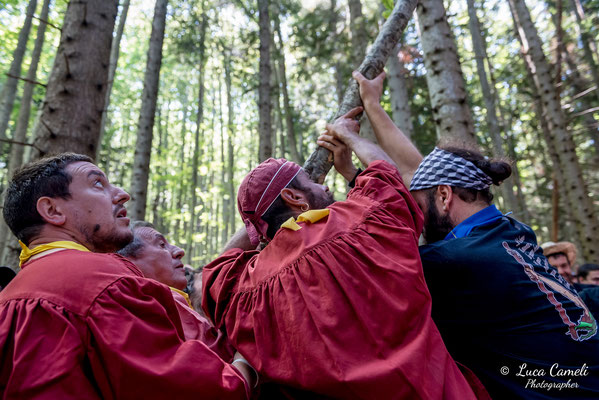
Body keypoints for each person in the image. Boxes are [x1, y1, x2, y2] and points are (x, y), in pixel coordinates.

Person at [202, 108, 487, 399]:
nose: (323, 184)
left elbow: (214, 272)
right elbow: (386, 173)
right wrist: (348, 136)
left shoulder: (246, 293)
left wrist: (256, 219)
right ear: (293, 197)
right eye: (311, 181)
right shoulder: (364, 222)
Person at [353, 70, 599, 398]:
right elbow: (419, 173)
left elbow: (361, 262)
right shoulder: (512, 231)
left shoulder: (454, 260)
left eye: (416, 204)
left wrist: (352, 149)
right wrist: (372, 105)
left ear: (444, 195)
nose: (415, 214)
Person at [0, 153, 253, 398]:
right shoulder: (105, 281)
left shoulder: (8, 298)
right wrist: (245, 363)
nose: (122, 194)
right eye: (97, 183)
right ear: (52, 211)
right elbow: (202, 392)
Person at [118, 220, 235, 360]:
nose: (180, 251)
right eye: (162, 245)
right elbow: (216, 363)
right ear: (128, 261)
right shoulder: (154, 306)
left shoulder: (172, 302)